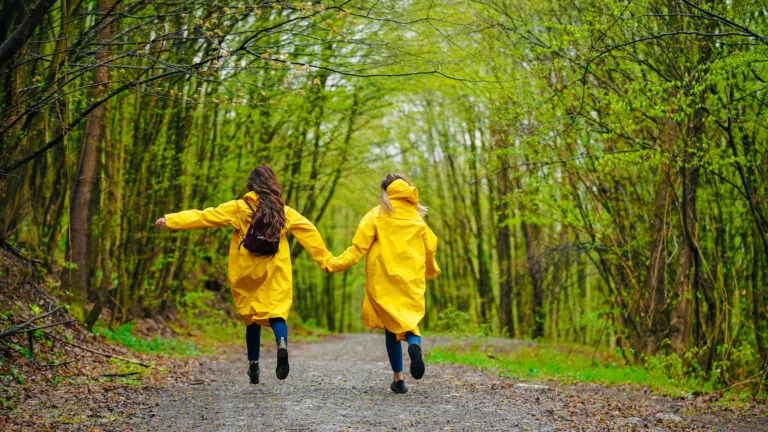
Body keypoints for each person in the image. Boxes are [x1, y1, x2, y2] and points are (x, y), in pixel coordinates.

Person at [156, 165, 332, 384]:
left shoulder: (240, 207)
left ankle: (254, 366)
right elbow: (309, 231)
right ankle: (282, 342)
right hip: (274, 269)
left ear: (251, 186)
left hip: (247, 270)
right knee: (277, 312)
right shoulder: (284, 212)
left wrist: (171, 220)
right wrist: (325, 260)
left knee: (251, 318)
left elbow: (204, 216)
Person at [323, 174, 440, 394]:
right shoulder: (417, 219)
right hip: (411, 279)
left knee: (391, 326)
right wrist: (432, 270)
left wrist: (333, 264)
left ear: (385, 192)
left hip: (384, 278)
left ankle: (399, 378)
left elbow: (357, 249)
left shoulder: (376, 215)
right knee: (408, 321)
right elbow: (429, 248)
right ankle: (414, 344)